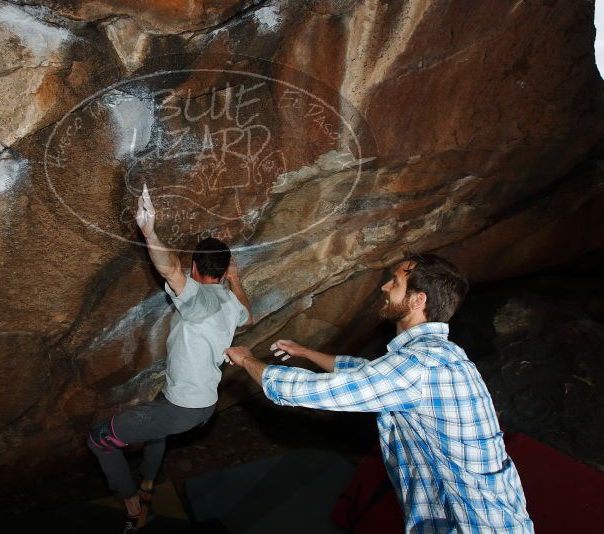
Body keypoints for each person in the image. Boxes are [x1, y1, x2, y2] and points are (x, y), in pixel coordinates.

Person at [225, 253, 534, 533]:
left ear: (417, 300)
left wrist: (248, 360)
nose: (385, 287)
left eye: (396, 283)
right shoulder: (436, 355)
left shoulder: (421, 365)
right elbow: (367, 373)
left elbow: (312, 390)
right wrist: (306, 352)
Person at [88, 185, 252, 533]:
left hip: (183, 407)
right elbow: (248, 316)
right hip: (204, 402)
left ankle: (132, 504)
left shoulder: (197, 300)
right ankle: (148, 485)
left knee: (99, 439)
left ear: (196, 267)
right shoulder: (228, 301)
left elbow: (169, 270)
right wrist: (237, 281)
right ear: (223, 274)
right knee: (157, 432)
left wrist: (150, 232)